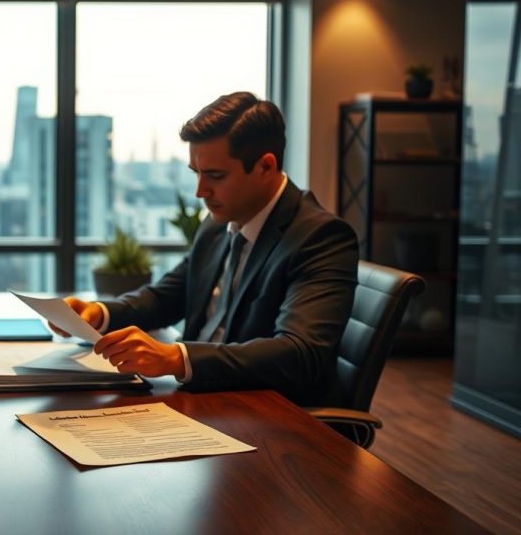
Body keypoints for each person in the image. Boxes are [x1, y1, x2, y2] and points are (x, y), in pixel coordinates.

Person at [58, 92, 358, 407]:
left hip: (261, 414)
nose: (201, 191)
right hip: (198, 398)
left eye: (215, 175)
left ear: (265, 166)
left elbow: (299, 353)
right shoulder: (218, 224)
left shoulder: (320, 237)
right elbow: (167, 297)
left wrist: (177, 358)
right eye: (196, 173)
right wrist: (99, 314)